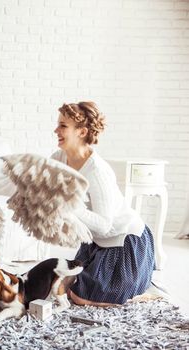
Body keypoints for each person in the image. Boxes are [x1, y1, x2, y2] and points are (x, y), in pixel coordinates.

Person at [52, 101, 155, 306]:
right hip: (96, 241)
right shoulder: (59, 157)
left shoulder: (97, 171)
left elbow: (104, 225)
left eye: (63, 126)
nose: (56, 130)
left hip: (122, 240)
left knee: (81, 297)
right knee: (65, 287)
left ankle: (137, 294)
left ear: (81, 132)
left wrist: (70, 207)